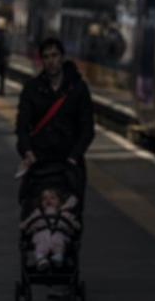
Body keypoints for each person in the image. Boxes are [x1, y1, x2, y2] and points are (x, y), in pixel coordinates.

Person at [15, 36, 95, 198]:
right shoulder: (32, 88)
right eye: (46, 57)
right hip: (40, 162)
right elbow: (22, 126)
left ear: (62, 57)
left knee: (70, 217)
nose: (51, 61)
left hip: (69, 162)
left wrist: (74, 156)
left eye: (55, 55)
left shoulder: (78, 88)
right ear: (42, 61)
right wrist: (27, 152)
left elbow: (87, 128)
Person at [20, 187, 80, 270]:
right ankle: (41, 260)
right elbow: (28, 223)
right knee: (40, 245)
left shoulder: (64, 213)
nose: (48, 200)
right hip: (41, 234)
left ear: (60, 202)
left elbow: (74, 224)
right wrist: (25, 226)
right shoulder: (38, 213)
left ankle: (58, 257)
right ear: (40, 202)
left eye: (52, 198)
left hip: (59, 234)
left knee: (59, 242)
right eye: (44, 199)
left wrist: (73, 226)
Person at [0, 17, 10, 96]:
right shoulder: (6, 33)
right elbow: (7, 47)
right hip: (3, 56)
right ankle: (1, 90)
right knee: (2, 75)